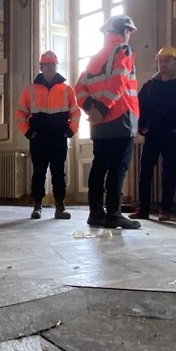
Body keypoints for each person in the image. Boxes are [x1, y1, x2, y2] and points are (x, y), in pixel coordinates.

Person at [74, 14, 142, 230]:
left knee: (99, 166)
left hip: (99, 123)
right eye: (129, 31)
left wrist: (91, 108)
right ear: (125, 31)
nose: (129, 35)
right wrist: (103, 108)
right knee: (117, 168)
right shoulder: (123, 50)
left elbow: (78, 88)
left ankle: (95, 214)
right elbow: (118, 81)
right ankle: (113, 215)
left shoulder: (96, 57)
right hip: (121, 118)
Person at [15, 50, 80, 220]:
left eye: (53, 65)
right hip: (39, 139)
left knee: (59, 174)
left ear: (56, 66)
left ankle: (60, 207)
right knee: (38, 173)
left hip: (59, 139)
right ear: (41, 67)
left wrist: (71, 130)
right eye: (47, 65)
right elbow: (20, 113)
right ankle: (37, 206)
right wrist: (28, 132)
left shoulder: (67, 89)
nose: (50, 68)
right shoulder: (30, 90)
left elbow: (75, 112)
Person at [132, 46, 176, 222]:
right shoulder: (150, 85)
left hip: (171, 134)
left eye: (167, 61)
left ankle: (165, 209)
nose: (162, 64)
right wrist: (142, 127)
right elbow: (139, 107)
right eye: (160, 61)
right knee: (145, 171)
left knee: (169, 172)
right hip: (151, 134)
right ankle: (143, 209)